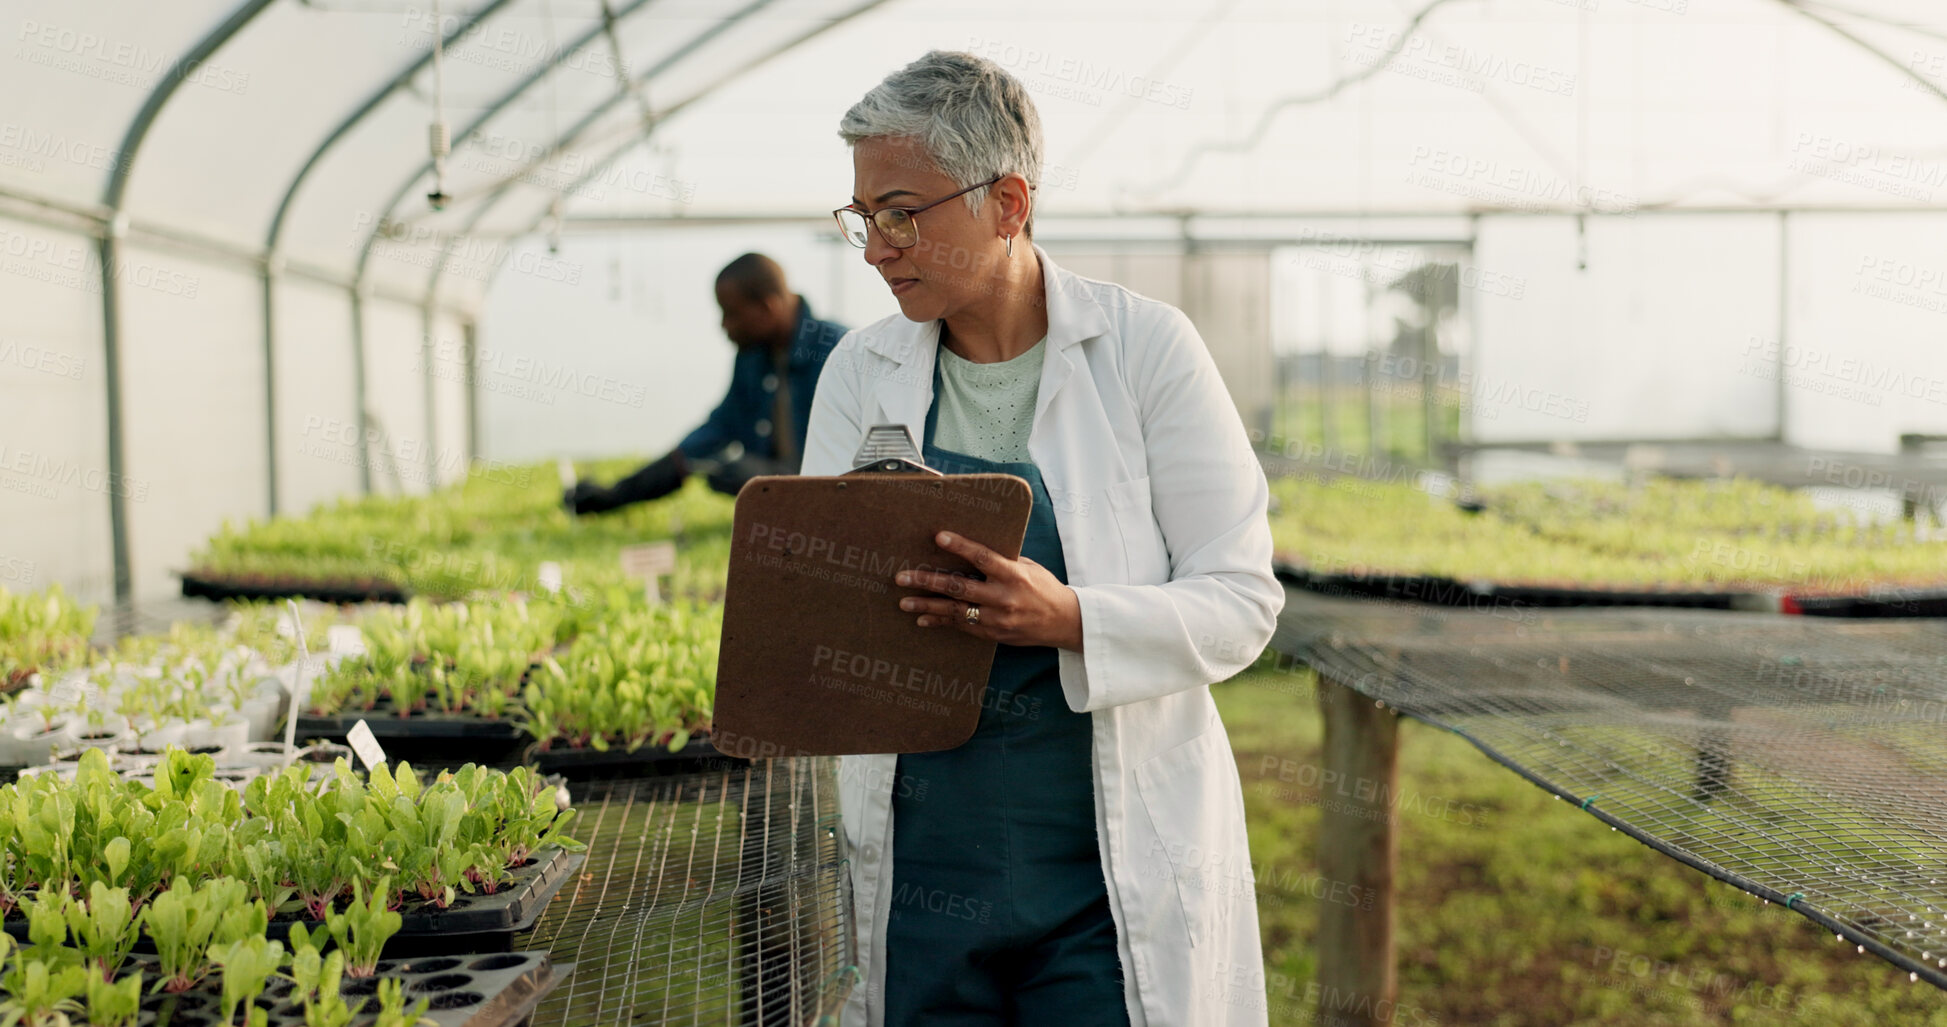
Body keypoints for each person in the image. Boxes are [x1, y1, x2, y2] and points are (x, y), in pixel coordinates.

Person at [803, 51, 1282, 1027]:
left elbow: (1241, 600)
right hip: (925, 866)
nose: (875, 248)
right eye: (861, 218)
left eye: (901, 213)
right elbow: (813, 596)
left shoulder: (1146, 351)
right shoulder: (862, 373)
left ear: (1009, 202)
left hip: (1104, 880)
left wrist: (1070, 618)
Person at [565, 253, 847, 514]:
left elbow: (855, 468)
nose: (724, 326)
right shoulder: (753, 357)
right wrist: (614, 495)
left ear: (766, 308)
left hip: (832, 512)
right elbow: (713, 434)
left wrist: (770, 478)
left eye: (731, 314)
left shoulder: (840, 352)